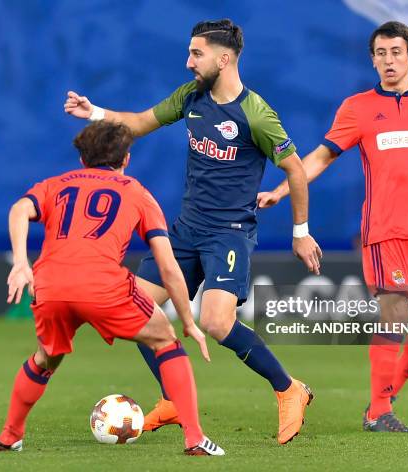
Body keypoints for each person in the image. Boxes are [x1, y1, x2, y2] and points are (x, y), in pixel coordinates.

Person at [64, 19, 322, 444]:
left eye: (196, 54)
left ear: (224, 59)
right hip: (187, 229)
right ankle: (171, 401)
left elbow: (294, 168)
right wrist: (93, 112)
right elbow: (141, 122)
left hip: (229, 233)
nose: (188, 62)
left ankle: (289, 389)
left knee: (216, 322)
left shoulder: (256, 113)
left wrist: (301, 231)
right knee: (135, 313)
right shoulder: (191, 97)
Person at [257, 21, 408, 432]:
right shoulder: (358, 108)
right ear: (372, 59)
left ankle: (386, 390)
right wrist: (282, 190)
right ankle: (379, 410)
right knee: (395, 313)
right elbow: (320, 156)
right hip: (384, 231)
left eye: (396, 52)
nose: (388, 60)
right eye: (381, 53)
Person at [0, 121, 224, 456]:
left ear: (83, 159)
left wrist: (20, 262)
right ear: (126, 159)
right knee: (165, 341)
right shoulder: (137, 193)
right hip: (103, 287)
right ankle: (195, 439)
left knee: (46, 357)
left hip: (51, 284)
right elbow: (168, 266)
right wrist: (188, 321)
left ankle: (10, 435)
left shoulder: (55, 185)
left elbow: (18, 210)